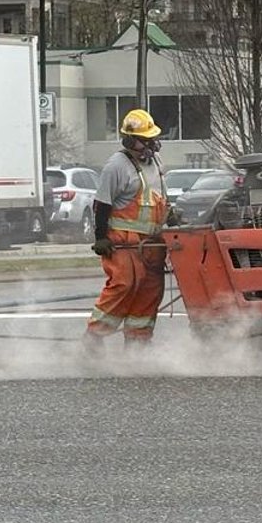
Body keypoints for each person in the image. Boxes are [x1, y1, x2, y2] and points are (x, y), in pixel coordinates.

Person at [86, 108, 169, 346]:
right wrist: (100, 237)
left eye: (153, 139)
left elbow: (159, 197)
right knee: (124, 286)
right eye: (146, 140)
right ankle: (94, 337)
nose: (153, 145)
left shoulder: (156, 162)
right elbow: (101, 205)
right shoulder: (117, 166)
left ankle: (138, 342)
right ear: (131, 141)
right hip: (124, 244)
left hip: (152, 244)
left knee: (149, 292)